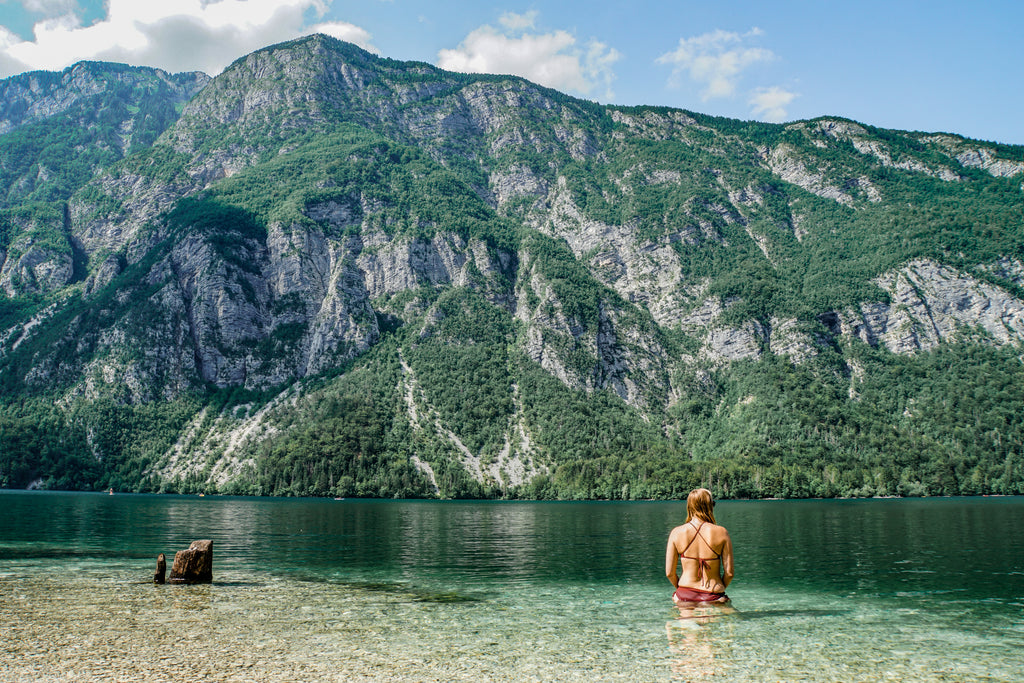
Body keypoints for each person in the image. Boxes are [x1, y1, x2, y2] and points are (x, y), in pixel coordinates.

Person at [665, 488, 734, 604]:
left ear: (690, 506)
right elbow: (729, 573)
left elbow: (669, 573)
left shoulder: (676, 533)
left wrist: (682, 590)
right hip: (713, 595)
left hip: (684, 594)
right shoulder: (722, 532)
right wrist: (718, 590)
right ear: (709, 506)